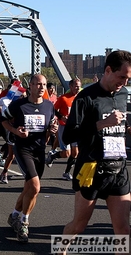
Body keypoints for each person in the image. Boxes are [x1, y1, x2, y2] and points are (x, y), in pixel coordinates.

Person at [61, 50, 131, 246]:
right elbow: (69, 136)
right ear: (108, 70)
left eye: (128, 79)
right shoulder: (86, 97)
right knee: (78, 226)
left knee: (123, 229)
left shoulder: (123, 94)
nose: (124, 83)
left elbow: (119, 125)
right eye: (122, 77)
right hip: (91, 169)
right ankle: (60, 249)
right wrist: (102, 124)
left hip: (118, 169)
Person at [3, 74, 57, 243]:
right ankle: (23, 222)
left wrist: (52, 129)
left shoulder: (49, 106)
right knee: (35, 186)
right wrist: (16, 132)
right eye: (38, 84)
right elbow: (3, 120)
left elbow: (49, 126)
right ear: (31, 86)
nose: (41, 88)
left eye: (44, 85)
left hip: (39, 149)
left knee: (29, 188)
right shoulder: (19, 104)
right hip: (23, 148)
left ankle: (14, 215)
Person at [45, 79, 81, 181]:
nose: (77, 88)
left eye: (79, 86)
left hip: (76, 128)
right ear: (70, 86)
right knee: (66, 154)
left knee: (75, 153)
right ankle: (53, 156)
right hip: (64, 128)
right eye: (76, 86)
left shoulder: (80, 98)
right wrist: (61, 117)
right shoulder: (63, 98)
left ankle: (66, 172)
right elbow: (53, 110)